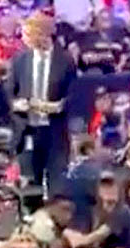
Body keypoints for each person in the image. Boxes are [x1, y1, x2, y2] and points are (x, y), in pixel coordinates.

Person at [9, 11, 77, 191]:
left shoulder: (65, 61)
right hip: (29, 131)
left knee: (57, 185)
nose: (23, 38)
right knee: (31, 187)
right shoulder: (20, 60)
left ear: (42, 34)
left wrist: (57, 106)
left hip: (54, 133)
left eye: (27, 34)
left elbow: (74, 95)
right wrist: (16, 104)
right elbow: (8, 93)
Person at [65, 171, 130, 248]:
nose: (105, 206)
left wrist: (81, 240)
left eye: (110, 202)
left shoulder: (123, 212)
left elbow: (96, 236)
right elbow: (67, 232)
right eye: (104, 185)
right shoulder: (91, 208)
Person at [76, 9, 130, 73]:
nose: (106, 22)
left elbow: (124, 52)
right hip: (95, 70)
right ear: (95, 20)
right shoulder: (86, 36)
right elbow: (85, 58)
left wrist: (120, 65)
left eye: (108, 19)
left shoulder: (116, 33)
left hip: (116, 71)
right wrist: (105, 56)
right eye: (103, 19)